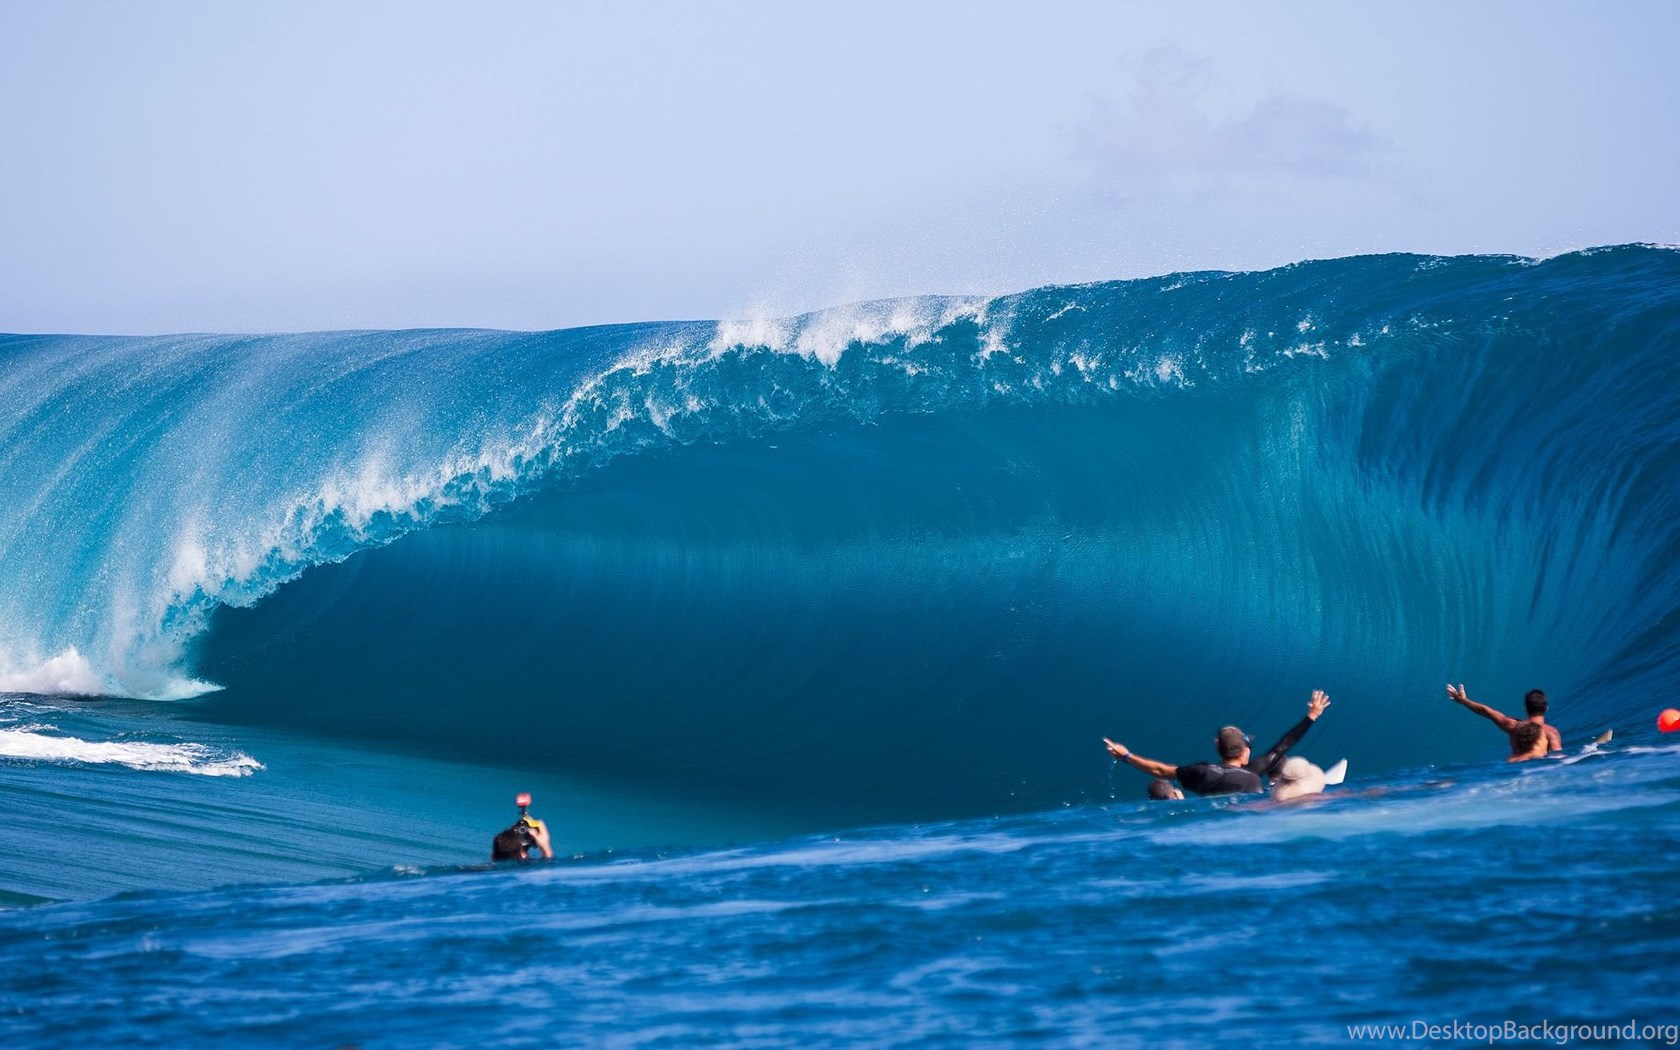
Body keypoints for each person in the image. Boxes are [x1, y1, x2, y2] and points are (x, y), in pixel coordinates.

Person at [1103, 689, 1332, 796]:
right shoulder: (1253, 772)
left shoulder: (1201, 772)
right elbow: (1284, 744)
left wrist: (1126, 756)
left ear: (1217, 748)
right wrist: (1311, 716)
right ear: (1244, 752)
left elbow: (1160, 770)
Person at [1446, 684, 1562, 755]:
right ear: (1546, 708)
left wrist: (1464, 701)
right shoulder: (1551, 732)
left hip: (1514, 768)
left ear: (1526, 708)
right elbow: (1557, 758)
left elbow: (1486, 711)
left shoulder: (1513, 726)